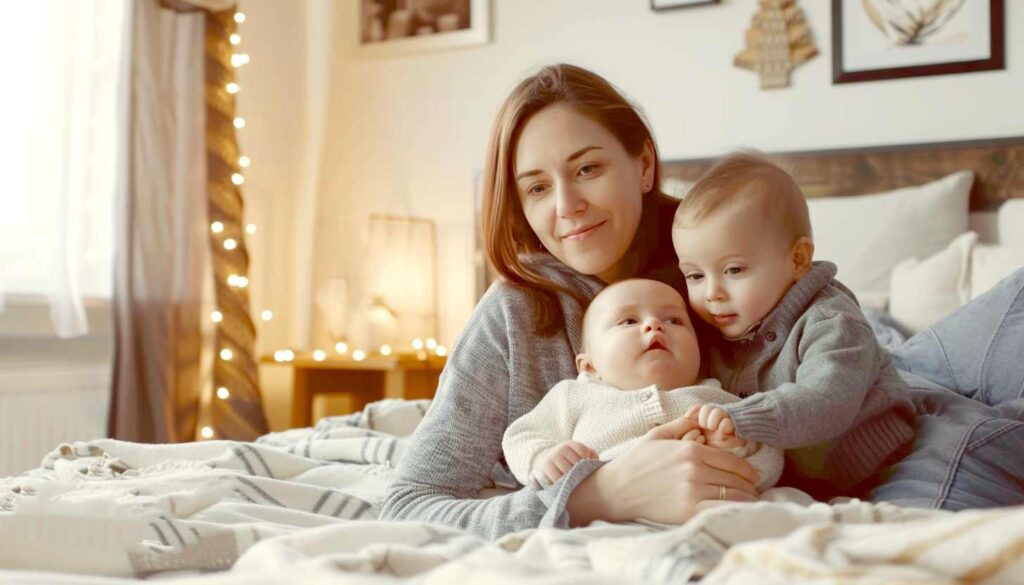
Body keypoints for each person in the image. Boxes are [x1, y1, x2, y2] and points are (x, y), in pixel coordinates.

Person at [380, 63, 1024, 540]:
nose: (566, 206)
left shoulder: (712, 249)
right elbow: (409, 504)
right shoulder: (517, 319)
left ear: (643, 165)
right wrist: (594, 494)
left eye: (586, 169)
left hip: (882, 383)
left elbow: (826, 319)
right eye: (536, 187)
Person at [671, 152, 916, 497]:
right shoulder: (714, 328)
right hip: (794, 477)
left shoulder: (832, 322)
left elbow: (827, 400)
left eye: (734, 270)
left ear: (797, 259)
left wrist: (743, 418)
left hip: (872, 461)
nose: (712, 293)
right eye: (695, 275)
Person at [502, 278, 783, 493]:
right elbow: (520, 436)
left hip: (705, 511)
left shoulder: (716, 400)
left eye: (674, 320)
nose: (654, 326)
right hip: (608, 515)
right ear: (589, 366)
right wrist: (544, 458)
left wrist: (738, 449)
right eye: (629, 321)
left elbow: (770, 456)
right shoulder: (574, 396)